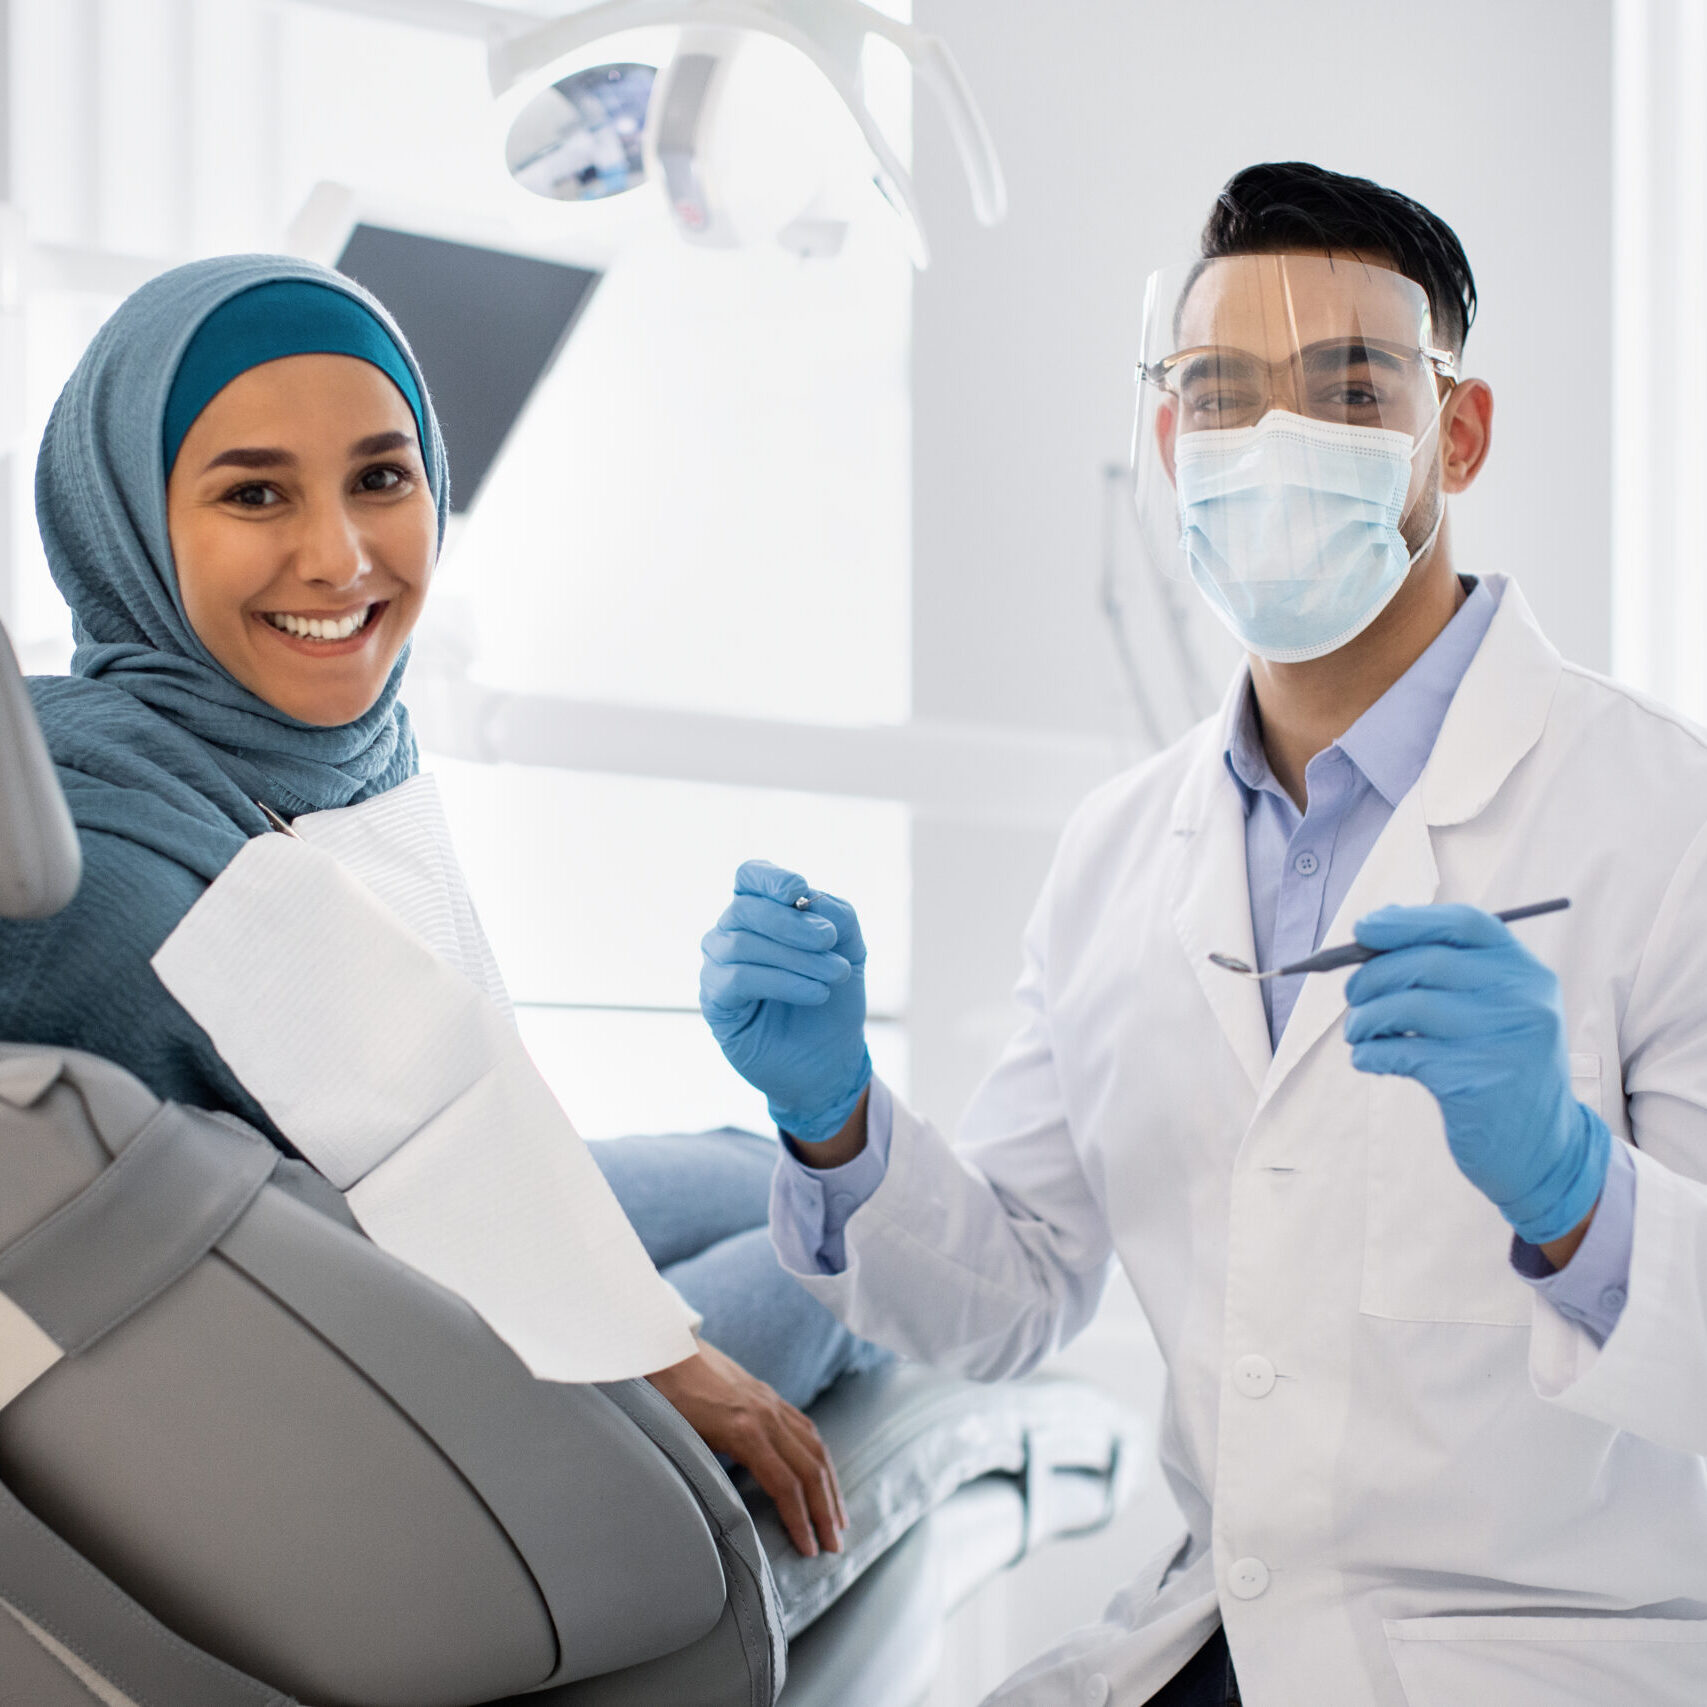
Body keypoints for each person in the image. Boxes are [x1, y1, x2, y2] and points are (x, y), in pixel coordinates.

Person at [699, 162, 1707, 1702]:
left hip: (1553, 1654)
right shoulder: (1122, 848)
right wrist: (833, 1120)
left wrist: (1577, 1195)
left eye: (1350, 388)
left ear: (1461, 430)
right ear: (1171, 439)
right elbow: (1012, 1296)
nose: (1274, 441)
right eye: (1222, 392)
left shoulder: (1662, 817)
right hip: (1215, 1640)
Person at [0, 251, 883, 1560]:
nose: (341, 557)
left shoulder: (290, 747)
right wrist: (657, 1357)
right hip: (365, 1394)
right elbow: (379, 1167)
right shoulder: (111, 868)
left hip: (358, 1256)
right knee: (827, 1274)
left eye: (381, 478)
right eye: (255, 493)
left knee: (764, 1171)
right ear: (125, 515)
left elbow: (427, 1106)